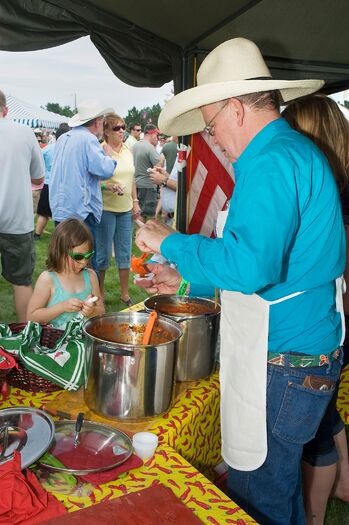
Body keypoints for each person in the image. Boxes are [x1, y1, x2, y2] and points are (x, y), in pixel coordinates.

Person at [134, 38, 345, 525]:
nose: (212, 139)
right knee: (278, 490)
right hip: (299, 352)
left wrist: (172, 243)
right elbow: (263, 264)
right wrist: (182, 275)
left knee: (259, 500)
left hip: (284, 360)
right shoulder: (288, 153)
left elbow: (252, 268)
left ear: (235, 108)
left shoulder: (272, 161)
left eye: (210, 126)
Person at [282, 93, 349, 525]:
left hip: (331, 322)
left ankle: (314, 514)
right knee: (323, 410)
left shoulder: (332, 194)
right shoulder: (337, 186)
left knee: (315, 427)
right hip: (336, 322)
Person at [49, 100, 117, 270]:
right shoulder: (88, 140)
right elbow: (104, 170)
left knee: (63, 258)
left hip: (60, 208)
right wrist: (109, 157)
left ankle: (64, 292)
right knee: (83, 261)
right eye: (102, 122)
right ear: (97, 122)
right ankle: (86, 294)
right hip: (81, 210)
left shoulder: (63, 138)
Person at [0, 89, 45, 321]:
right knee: (21, 281)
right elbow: (38, 178)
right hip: (16, 219)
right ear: (6, 111)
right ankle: (21, 340)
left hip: (17, 221)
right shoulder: (24, 132)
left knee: (21, 280)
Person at [95, 113, 141, 306]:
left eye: (123, 127)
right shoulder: (99, 151)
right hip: (105, 209)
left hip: (125, 210)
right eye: (116, 128)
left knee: (124, 252)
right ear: (105, 131)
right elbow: (93, 180)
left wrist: (135, 201)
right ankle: (100, 294)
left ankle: (124, 294)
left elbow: (132, 179)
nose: (121, 130)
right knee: (102, 254)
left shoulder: (127, 150)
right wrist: (108, 186)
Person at [27, 218, 104, 329]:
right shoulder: (48, 279)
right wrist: (62, 307)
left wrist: (91, 311)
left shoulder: (91, 276)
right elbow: (32, 316)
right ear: (60, 252)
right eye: (78, 257)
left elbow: (101, 310)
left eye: (88, 256)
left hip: (84, 340)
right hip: (55, 341)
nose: (84, 262)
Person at [34, 123, 70, 240]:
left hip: (48, 183)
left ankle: (37, 234)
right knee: (63, 213)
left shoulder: (48, 149)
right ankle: (61, 237)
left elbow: (40, 164)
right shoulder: (69, 150)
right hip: (63, 185)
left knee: (44, 212)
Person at [132, 123, 162, 218]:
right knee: (147, 217)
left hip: (136, 184)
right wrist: (162, 158)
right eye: (157, 135)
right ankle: (144, 233)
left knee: (139, 214)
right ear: (152, 134)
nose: (157, 138)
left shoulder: (135, 145)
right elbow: (159, 167)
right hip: (148, 186)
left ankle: (138, 232)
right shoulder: (150, 147)